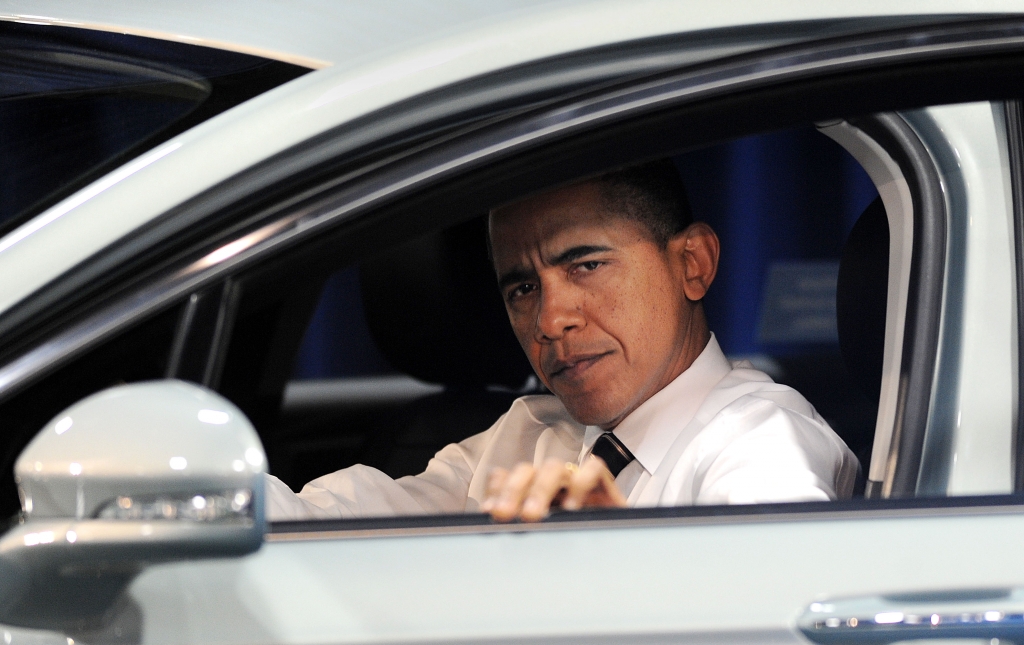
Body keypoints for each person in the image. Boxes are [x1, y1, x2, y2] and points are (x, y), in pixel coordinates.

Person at [265, 160, 858, 522]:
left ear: (693, 264)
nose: (549, 320)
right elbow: (341, 520)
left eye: (586, 266)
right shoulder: (529, 434)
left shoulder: (760, 444)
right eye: (523, 288)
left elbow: (763, 618)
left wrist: (614, 561)